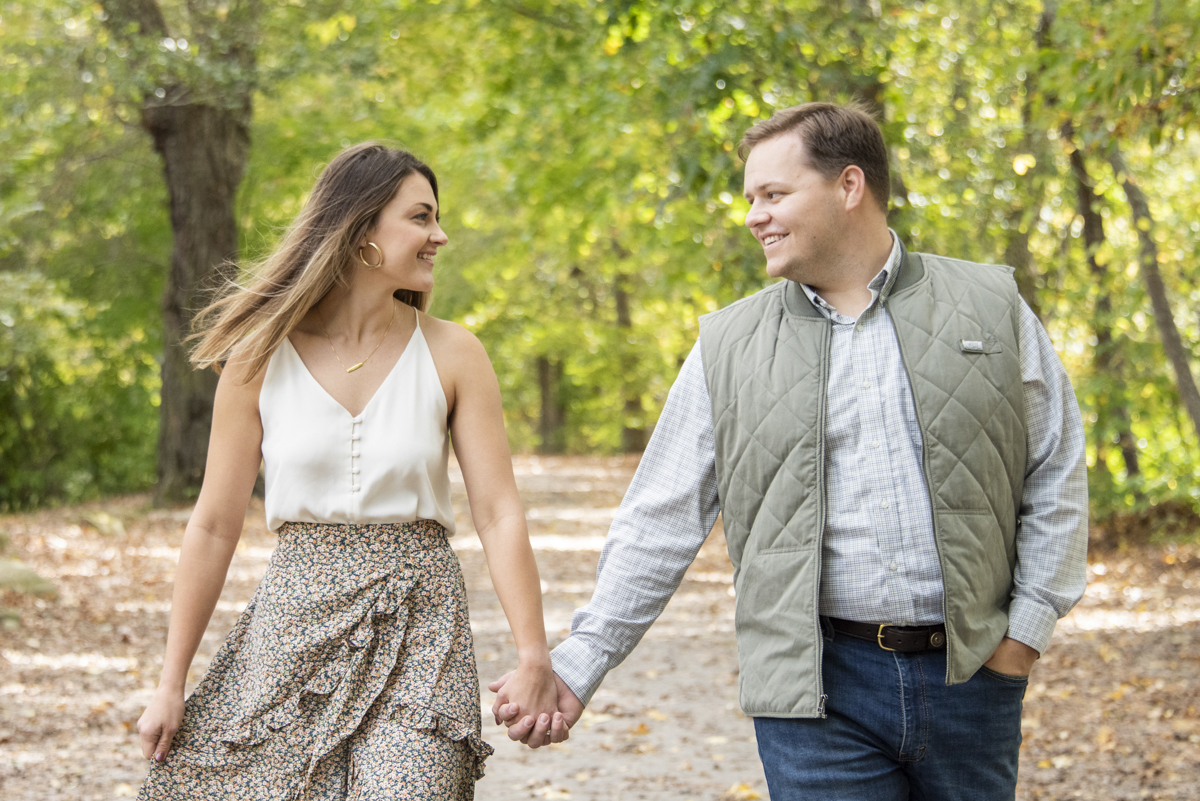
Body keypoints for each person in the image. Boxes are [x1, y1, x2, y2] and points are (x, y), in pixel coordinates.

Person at [493, 102, 1088, 800]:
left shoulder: (989, 305)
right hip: (812, 692)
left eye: (773, 194)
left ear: (848, 186)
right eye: (751, 199)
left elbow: (1055, 470)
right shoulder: (728, 346)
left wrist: (1024, 633)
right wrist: (579, 662)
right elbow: (661, 515)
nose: (753, 216)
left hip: (973, 675)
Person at [135, 143, 568, 800]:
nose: (439, 235)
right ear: (364, 228)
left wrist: (534, 650)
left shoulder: (454, 352)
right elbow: (215, 525)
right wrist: (170, 683)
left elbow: (499, 511)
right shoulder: (260, 358)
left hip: (422, 628)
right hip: (294, 628)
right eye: (421, 217)